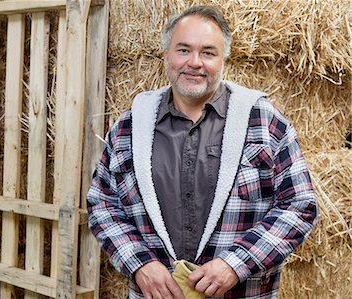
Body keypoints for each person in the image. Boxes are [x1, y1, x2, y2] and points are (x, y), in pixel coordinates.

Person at [87, 5, 317, 299]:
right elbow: (102, 203)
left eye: (208, 52)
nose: (194, 62)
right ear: (166, 55)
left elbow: (299, 205)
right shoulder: (130, 126)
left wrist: (235, 264)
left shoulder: (264, 122)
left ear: (224, 59)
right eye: (183, 50)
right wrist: (139, 263)